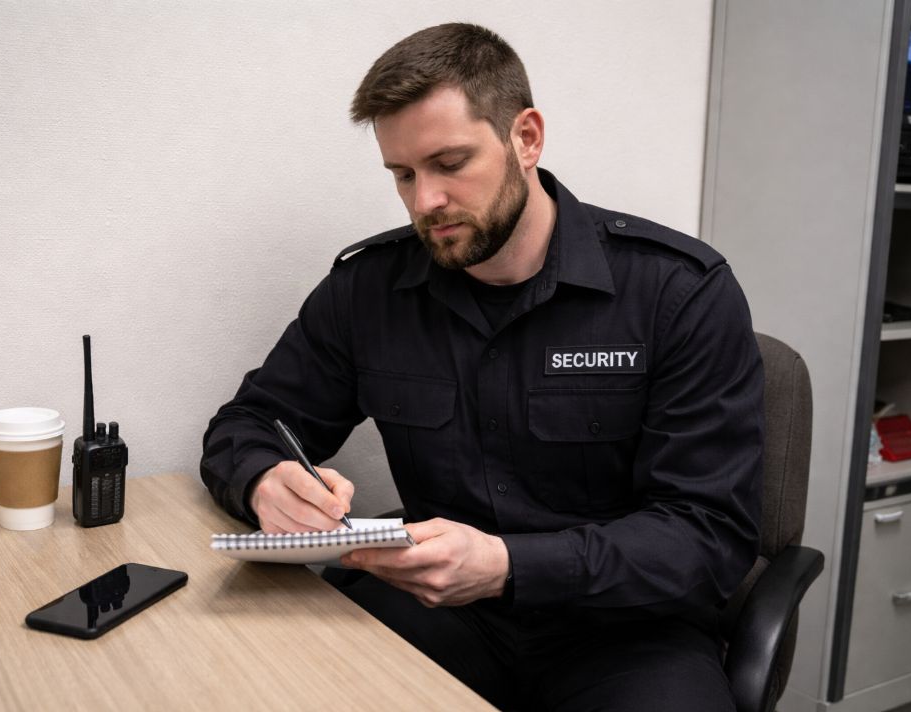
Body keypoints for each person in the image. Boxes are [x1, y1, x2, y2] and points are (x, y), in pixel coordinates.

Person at [201, 22, 763, 711]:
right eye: (403, 174)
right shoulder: (369, 290)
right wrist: (265, 481)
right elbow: (249, 424)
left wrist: (506, 565)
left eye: (449, 163)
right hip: (437, 614)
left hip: (627, 632)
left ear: (525, 138)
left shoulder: (677, 293)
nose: (423, 201)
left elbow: (707, 538)